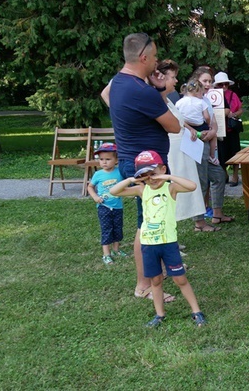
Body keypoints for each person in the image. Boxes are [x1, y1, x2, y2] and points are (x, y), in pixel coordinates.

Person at [107, 32, 181, 302]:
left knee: (149, 219)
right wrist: (160, 93)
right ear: (143, 57)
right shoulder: (142, 91)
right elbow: (174, 125)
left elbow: (106, 96)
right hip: (145, 169)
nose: (158, 61)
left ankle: (149, 277)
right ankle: (144, 285)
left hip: (132, 160)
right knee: (146, 225)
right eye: (155, 56)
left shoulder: (118, 82)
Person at [110, 150, 206, 327]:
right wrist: (131, 180)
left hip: (168, 243)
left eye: (153, 173)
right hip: (148, 244)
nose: (150, 179)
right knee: (155, 280)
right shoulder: (141, 189)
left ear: (162, 169)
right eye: (145, 176)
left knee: (180, 279)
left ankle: (196, 311)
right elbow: (114, 191)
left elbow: (192, 186)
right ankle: (160, 315)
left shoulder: (170, 188)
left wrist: (168, 176)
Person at [157, 60, 206, 224]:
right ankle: (170, 236)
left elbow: (176, 119)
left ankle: (175, 234)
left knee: (185, 191)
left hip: (182, 148)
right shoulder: (156, 100)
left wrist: (188, 128)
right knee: (173, 191)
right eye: (173, 77)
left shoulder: (168, 99)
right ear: (162, 78)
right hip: (172, 152)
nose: (176, 81)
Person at [192, 66, 232, 228]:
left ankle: (217, 214)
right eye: (205, 81)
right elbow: (183, 122)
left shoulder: (206, 98)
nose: (208, 84)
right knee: (201, 183)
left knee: (218, 176)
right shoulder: (189, 99)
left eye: (210, 81)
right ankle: (199, 222)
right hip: (196, 145)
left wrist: (213, 131)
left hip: (209, 144)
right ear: (196, 82)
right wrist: (202, 134)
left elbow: (213, 120)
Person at [87, 142, 126, 265]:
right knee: (106, 229)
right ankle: (106, 254)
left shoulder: (120, 171)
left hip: (117, 207)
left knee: (117, 229)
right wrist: (95, 197)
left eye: (108, 159)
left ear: (116, 160)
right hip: (104, 207)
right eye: (101, 159)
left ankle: (116, 250)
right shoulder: (98, 174)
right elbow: (90, 187)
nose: (104, 162)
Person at [176, 78, 219, 166]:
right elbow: (207, 116)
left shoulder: (179, 102)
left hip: (186, 127)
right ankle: (212, 156)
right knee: (214, 136)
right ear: (197, 92)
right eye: (201, 93)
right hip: (200, 126)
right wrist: (208, 123)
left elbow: (177, 115)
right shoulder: (201, 102)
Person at [212, 72, 243, 187]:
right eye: (221, 84)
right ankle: (224, 174)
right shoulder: (212, 96)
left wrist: (233, 114)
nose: (224, 87)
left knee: (235, 152)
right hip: (219, 130)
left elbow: (240, 109)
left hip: (231, 129)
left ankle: (235, 175)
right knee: (221, 154)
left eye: (226, 84)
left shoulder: (232, 95)